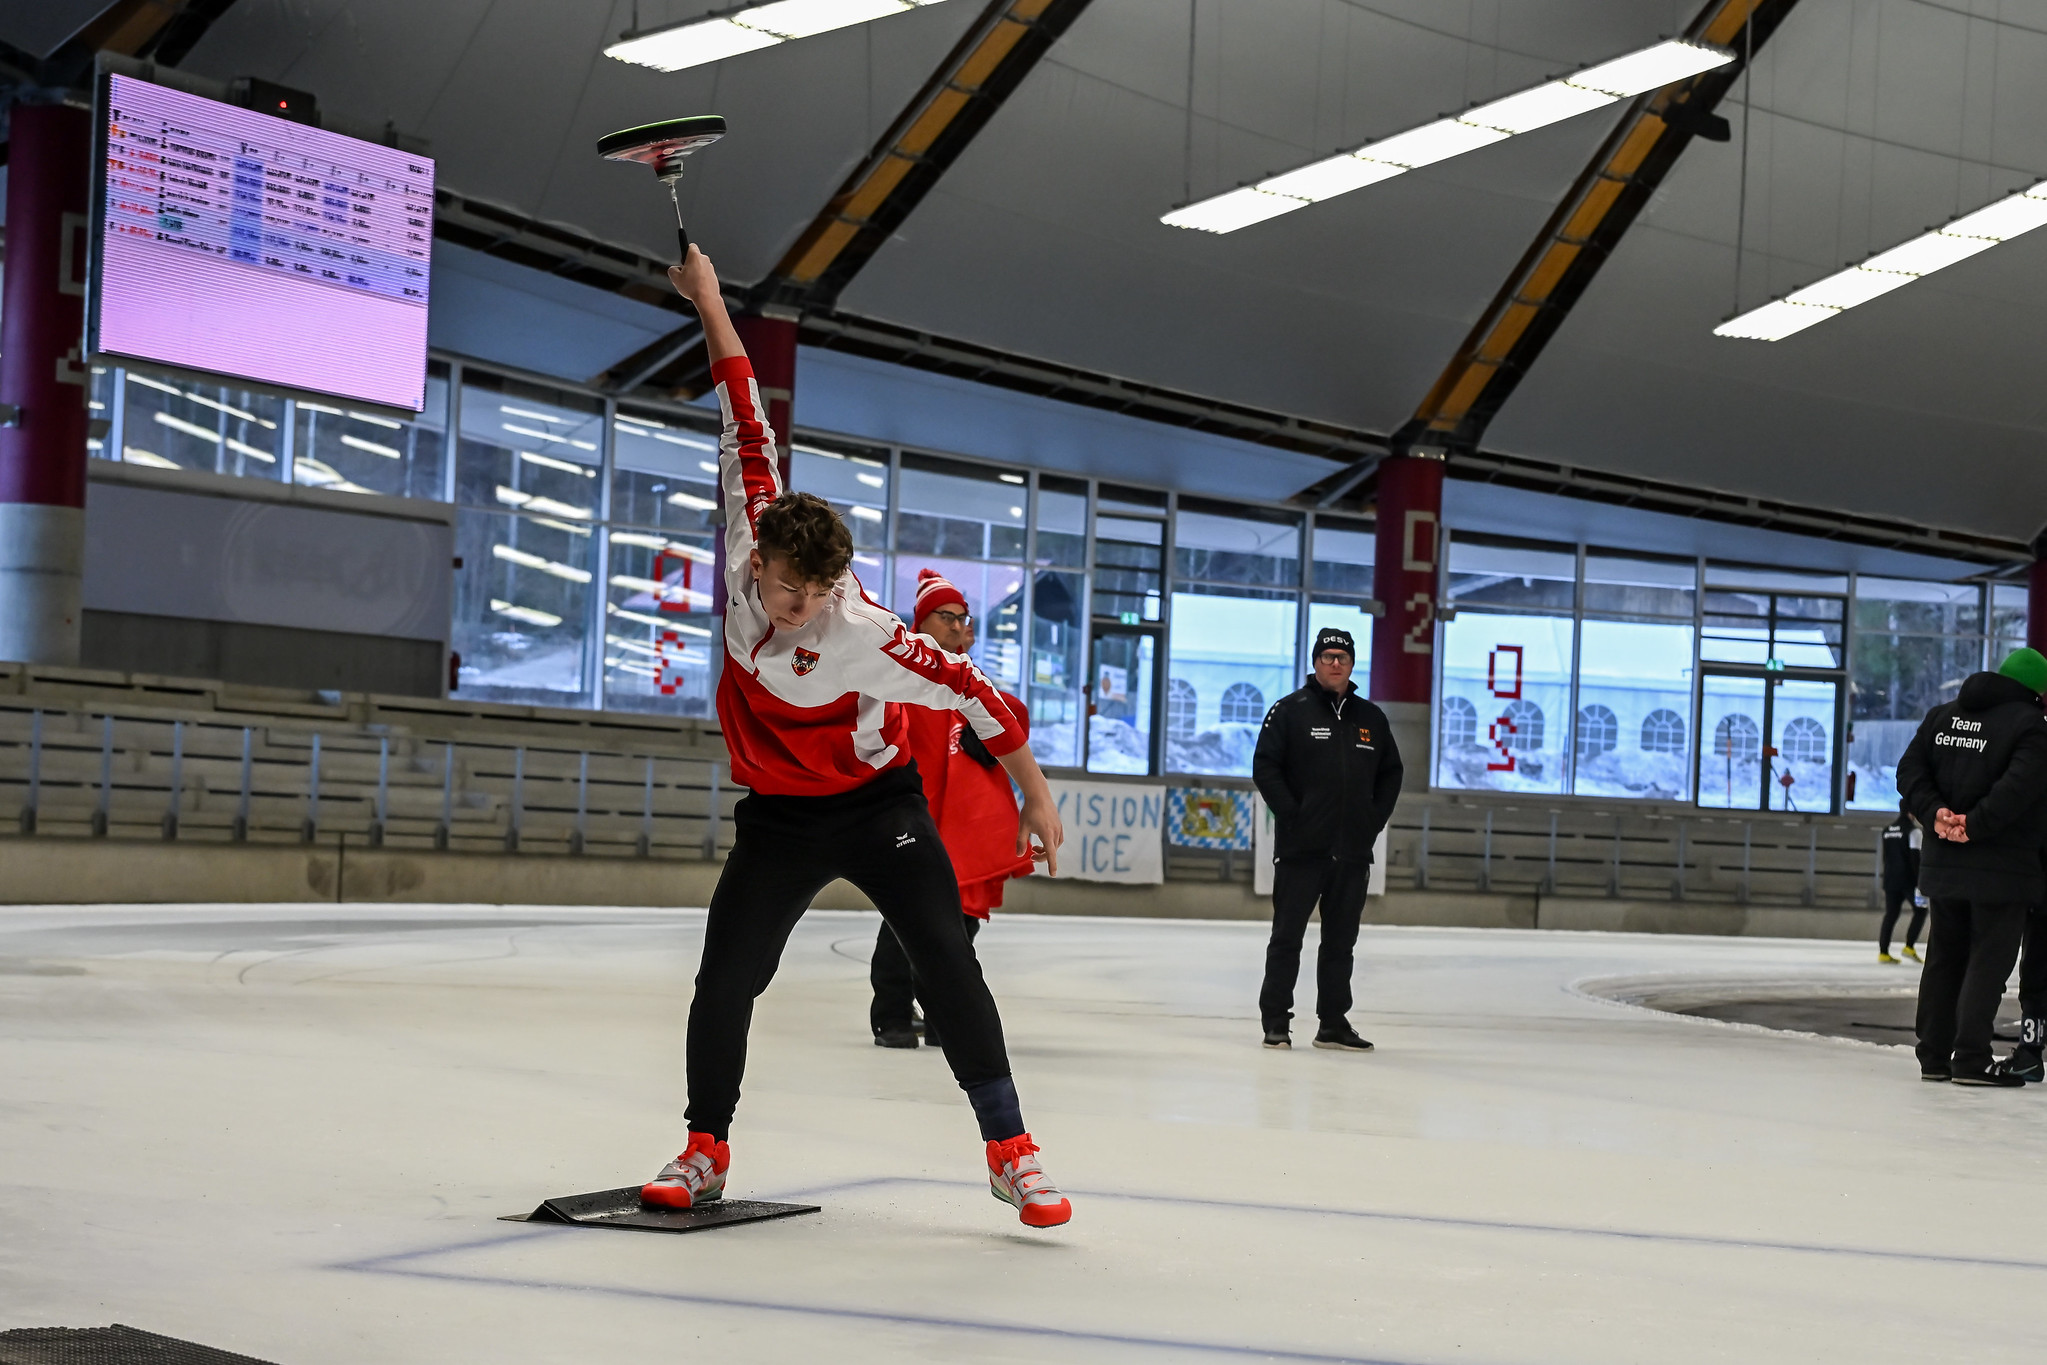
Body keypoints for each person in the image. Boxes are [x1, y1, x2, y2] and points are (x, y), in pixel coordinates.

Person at [639, 246, 1072, 1227]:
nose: (776, 607)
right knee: (727, 978)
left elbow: (982, 702)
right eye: (770, 587)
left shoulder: (869, 637)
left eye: (800, 597)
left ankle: (1012, 1150)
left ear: (832, 588)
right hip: (780, 820)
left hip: (877, 812)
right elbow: (743, 403)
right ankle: (706, 1146)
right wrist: (709, 297)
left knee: (945, 961)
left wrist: (1035, 798)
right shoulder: (755, 533)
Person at [870, 569, 1036, 1050]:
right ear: (923, 621)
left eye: (965, 618)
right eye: (950, 617)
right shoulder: (897, 678)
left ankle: (938, 1014)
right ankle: (894, 1015)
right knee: (905, 921)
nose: (961, 627)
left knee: (953, 929)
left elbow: (1014, 717)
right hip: (911, 821)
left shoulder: (967, 681)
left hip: (960, 834)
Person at [1896, 646, 2047, 1087]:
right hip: (2003, 869)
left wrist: (1936, 813)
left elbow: (1909, 771)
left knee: (1944, 957)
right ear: (2036, 689)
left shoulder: (1942, 716)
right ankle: (1971, 1059)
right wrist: (1974, 826)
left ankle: (1934, 1057)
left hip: (1943, 862)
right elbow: (2019, 788)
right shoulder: (2030, 726)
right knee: (1987, 961)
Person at [1250, 627, 1403, 1052]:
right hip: (1303, 850)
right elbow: (1265, 768)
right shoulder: (1289, 711)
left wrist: (1372, 819)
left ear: (1352, 664)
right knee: (1287, 938)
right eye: (1328, 656)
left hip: (1352, 852)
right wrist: (1294, 815)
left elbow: (1392, 772)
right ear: (1315, 662)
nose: (1335, 663)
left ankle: (1333, 1023)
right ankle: (1276, 1022)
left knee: (1341, 942)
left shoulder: (1371, 718)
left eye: (1343, 656)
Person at [1877, 802, 1924, 964]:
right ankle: (1909, 947)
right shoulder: (1914, 832)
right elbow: (1915, 859)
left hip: (1890, 879)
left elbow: (1885, 857)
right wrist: (1920, 882)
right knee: (1921, 911)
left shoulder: (1887, 830)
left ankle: (1883, 952)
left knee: (1891, 914)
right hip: (1908, 880)